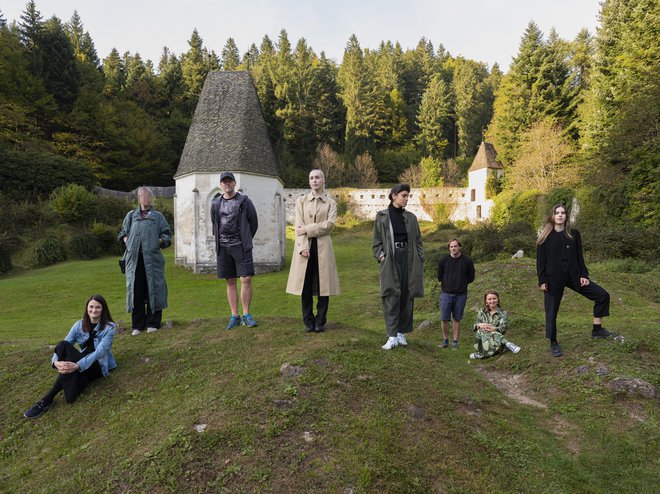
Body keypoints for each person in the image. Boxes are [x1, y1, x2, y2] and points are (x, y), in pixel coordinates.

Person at [536, 204, 615, 357]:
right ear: (552, 216)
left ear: (566, 216)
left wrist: (584, 275)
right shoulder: (545, 237)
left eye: (563, 213)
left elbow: (580, 257)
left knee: (602, 295)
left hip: (574, 276)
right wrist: (542, 280)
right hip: (553, 279)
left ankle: (597, 330)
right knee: (551, 311)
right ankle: (553, 342)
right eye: (557, 213)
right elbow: (540, 262)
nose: (560, 215)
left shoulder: (574, 234)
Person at [24, 295, 117, 418]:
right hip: (81, 359)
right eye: (91, 307)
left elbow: (99, 352)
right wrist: (55, 363)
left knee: (73, 368)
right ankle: (57, 394)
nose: (94, 310)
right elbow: (65, 344)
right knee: (63, 345)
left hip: (98, 364)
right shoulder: (79, 325)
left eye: (98, 307)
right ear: (87, 308)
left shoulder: (110, 327)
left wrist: (77, 366)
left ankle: (47, 399)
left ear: (103, 309)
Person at [286, 169, 340, 332]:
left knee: (324, 285)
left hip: (324, 247)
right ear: (309, 181)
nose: (314, 180)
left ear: (323, 180)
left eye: (317, 177)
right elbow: (298, 227)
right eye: (311, 178)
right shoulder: (301, 201)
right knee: (305, 284)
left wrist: (308, 229)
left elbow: (329, 226)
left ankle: (320, 321)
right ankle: (308, 320)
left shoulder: (331, 203)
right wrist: (302, 247)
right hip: (305, 247)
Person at [372, 184, 425, 350]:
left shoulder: (411, 218)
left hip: (409, 259)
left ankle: (401, 332)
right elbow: (376, 242)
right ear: (394, 196)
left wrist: (420, 257)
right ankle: (392, 335)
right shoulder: (382, 217)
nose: (406, 198)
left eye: (408, 196)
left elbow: (418, 241)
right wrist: (381, 256)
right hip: (391, 259)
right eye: (404, 195)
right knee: (391, 296)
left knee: (407, 295)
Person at [118, 186, 172, 336]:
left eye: (148, 196)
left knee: (153, 288)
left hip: (153, 260)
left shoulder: (158, 216)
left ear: (151, 199)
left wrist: (159, 241)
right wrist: (125, 238)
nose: (146, 199)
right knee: (136, 290)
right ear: (139, 199)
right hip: (134, 261)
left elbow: (167, 235)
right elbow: (122, 231)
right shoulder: (131, 216)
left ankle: (153, 323)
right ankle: (137, 325)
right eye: (143, 196)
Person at [211, 172, 259, 330]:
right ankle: (234, 316)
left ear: (234, 183)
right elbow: (215, 223)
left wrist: (245, 239)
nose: (227, 184)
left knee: (246, 279)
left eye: (229, 181)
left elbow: (254, 223)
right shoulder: (216, 203)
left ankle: (246, 314)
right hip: (223, 247)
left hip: (241, 246)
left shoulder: (245, 202)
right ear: (221, 184)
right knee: (230, 281)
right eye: (224, 182)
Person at [437, 239, 475, 350]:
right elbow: (439, 276)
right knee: (444, 318)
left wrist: (461, 284)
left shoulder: (467, 261)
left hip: (461, 294)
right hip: (446, 293)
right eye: (451, 247)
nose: (453, 248)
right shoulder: (443, 260)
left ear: (459, 247)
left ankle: (455, 342)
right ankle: (445, 341)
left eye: (455, 246)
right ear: (449, 248)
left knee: (457, 318)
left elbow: (471, 277)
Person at [470, 290, 521, 359]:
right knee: (482, 330)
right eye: (489, 299)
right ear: (486, 301)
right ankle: (507, 344)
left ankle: (480, 355)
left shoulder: (503, 313)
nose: (492, 301)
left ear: (498, 300)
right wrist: (479, 325)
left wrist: (494, 328)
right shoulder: (482, 312)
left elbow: (503, 329)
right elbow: (475, 325)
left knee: (489, 331)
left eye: (494, 298)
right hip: (482, 341)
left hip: (496, 342)